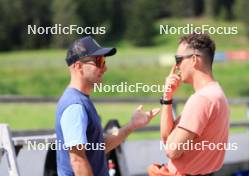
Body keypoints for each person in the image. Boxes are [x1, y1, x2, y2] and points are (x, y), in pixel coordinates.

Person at [55, 36, 160, 176]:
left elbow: (99, 147)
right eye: (99, 61)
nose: (105, 68)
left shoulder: (81, 100)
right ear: (79, 66)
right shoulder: (75, 105)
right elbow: (77, 160)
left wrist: (131, 125)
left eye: (104, 61)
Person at [148, 33, 229, 176]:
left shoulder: (201, 99)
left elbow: (171, 150)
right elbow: (168, 139)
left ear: (193, 60)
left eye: (178, 59)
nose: (176, 66)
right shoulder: (217, 94)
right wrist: (167, 98)